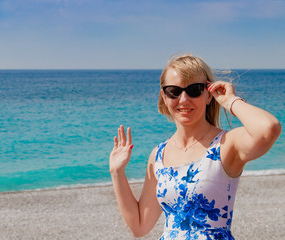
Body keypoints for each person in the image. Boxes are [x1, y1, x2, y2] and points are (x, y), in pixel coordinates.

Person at [109, 54, 281, 240]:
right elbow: (140, 226)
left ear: (208, 95)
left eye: (194, 90)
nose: (183, 99)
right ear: (164, 97)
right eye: (174, 91)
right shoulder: (159, 155)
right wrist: (117, 173)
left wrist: (230, 101)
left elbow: (268, 129)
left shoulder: (226, 144)